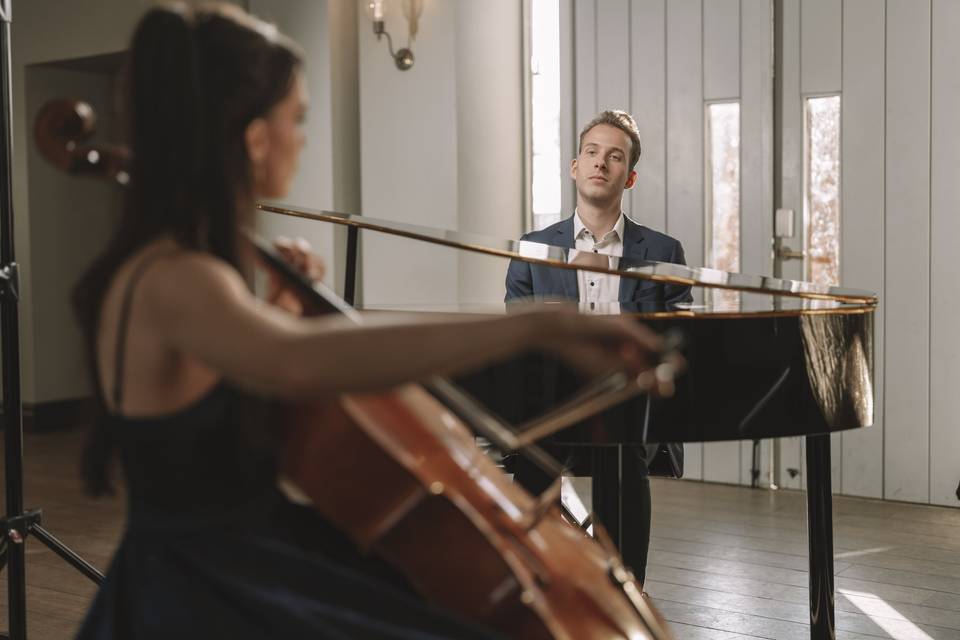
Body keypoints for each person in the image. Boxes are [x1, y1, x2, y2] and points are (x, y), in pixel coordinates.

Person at [71, 5, 672, 639]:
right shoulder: (179, 278)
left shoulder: (182, 271)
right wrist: (536, 325)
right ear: (254, 139)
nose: (303, 137)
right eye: (297, 119)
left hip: (236, 557)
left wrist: (272, 313)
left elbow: (244, 385)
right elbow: (300, 360)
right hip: (207, 587)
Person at [504, 110, 691, 585]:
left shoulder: (664, 252)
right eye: (591, 153)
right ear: (574, 166)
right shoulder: (533, 247)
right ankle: (535, 581)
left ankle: (625, 590)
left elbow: (680, 334)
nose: (600, 164)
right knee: (530, 444)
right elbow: (519, 333)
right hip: (555, 401)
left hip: (629, 404)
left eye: (614, 157)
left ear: (628, 177)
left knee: (623, 440)